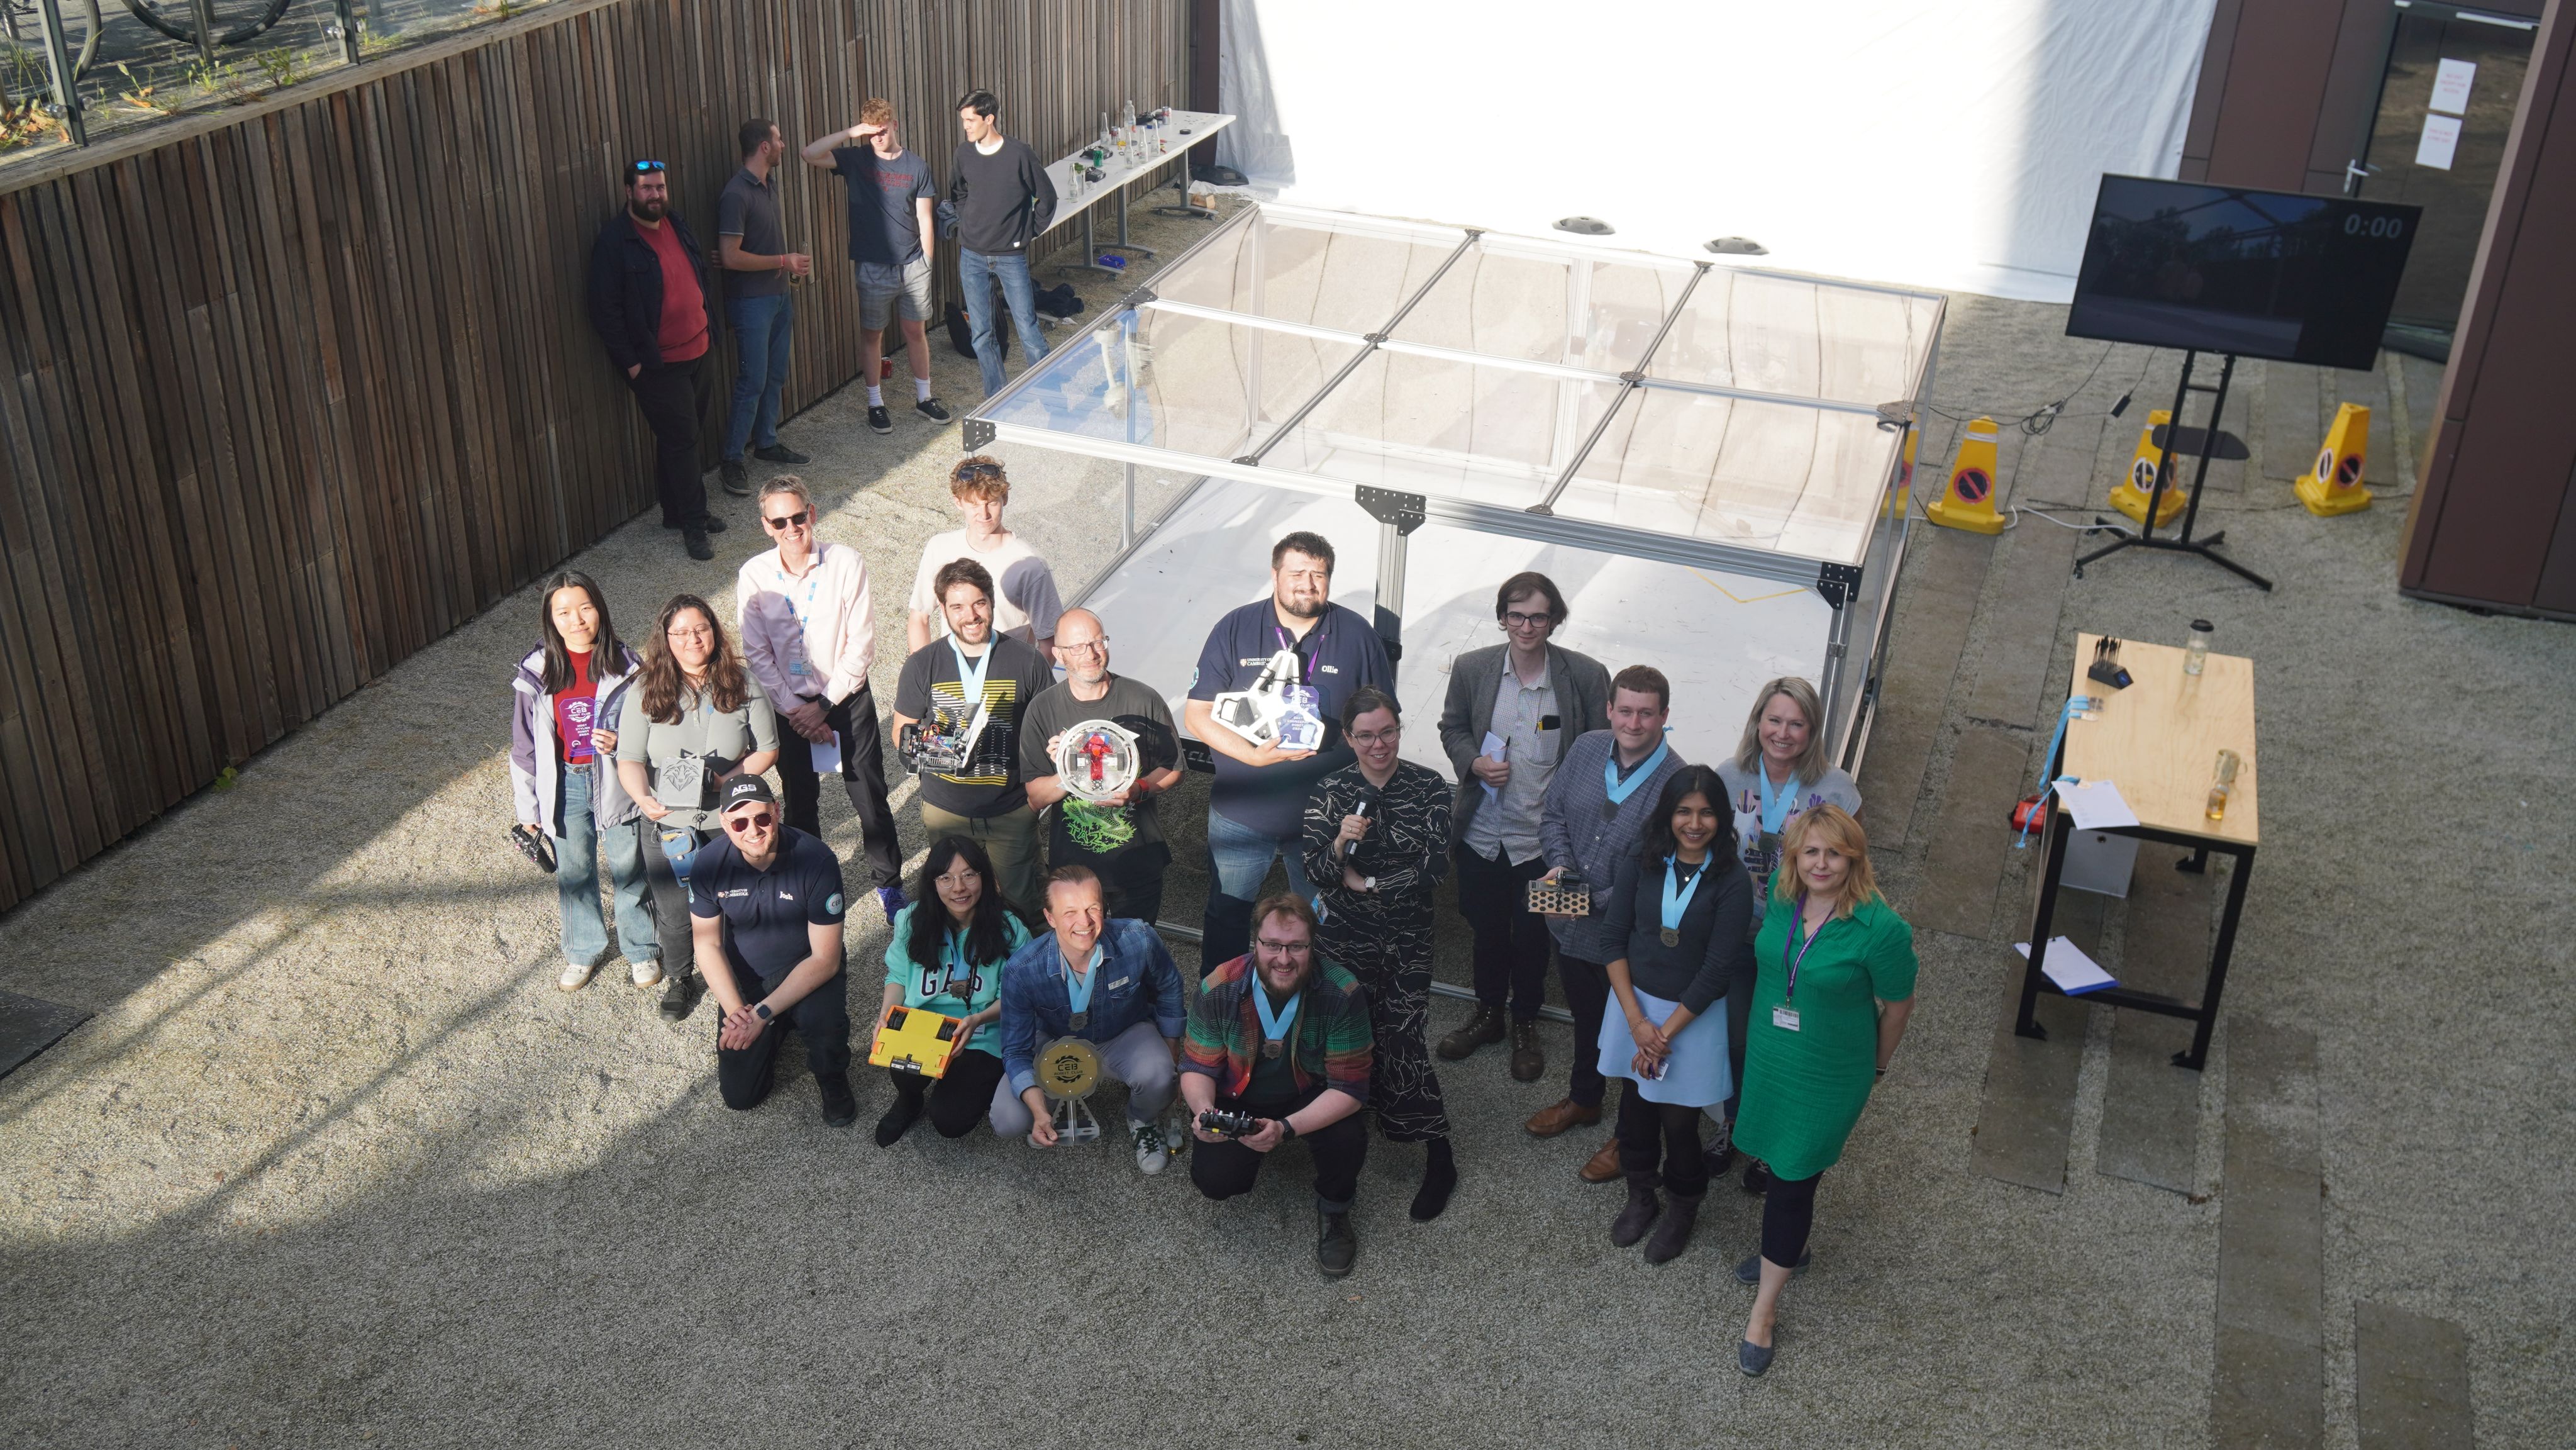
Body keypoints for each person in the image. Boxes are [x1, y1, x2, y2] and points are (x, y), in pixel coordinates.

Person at [1731, 803, 1915, 1376]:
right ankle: (1789, 1251)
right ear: (1795, 856)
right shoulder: (1785, 899)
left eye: (1834, 852)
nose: (1821, 862)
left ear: (1854, 857)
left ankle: (1763, 1311)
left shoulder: (1881, 928)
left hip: (1830, 1074)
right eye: (1810, 850)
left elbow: (1899, 1004)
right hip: (1771, 1055)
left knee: (1792, 1180)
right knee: (1776, 1162)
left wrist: (1878, 1069)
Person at [1184, 532, 1394, 973]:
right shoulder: (1235, 627)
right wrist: (1253, 755)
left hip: (1324, 823)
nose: (1308, 583)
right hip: (1243, 813)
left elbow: (1382, 724)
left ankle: (1314, 1018)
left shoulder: (1357, 635)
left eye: (1319, 574)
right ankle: (1218, 1011)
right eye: (1297, 572)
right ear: (1275, 574)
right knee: (1227, 916)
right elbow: (1197, 715)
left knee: (1323, 925)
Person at [1436, 571, 1613, 1082]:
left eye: (1538, 615)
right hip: (1483, 835)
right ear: (1502, 617)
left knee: (1542, 935)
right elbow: (1452, 726)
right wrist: (1472, 762)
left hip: (1553, 844)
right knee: (1486, 927)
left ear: (1554, 619)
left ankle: (1526, 1022)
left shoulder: (1585, 674)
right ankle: (1489, 1013)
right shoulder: (1473, 667)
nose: (1527, 625)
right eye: (1516, 614)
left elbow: (1603, 750)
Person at [1299, 688, 1458, 1221]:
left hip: (1406, 941)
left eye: (1387, 731)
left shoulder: (1429, 785)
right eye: (1365, 735)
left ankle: (1438, 1154)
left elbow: (1435, 868)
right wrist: (1341, 845)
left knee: (1404, 1039)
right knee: (1344, 1035)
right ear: (1348, 738)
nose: (1379, 744)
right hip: (1343, 940)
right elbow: (1317, 868)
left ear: (1398, 728)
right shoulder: (1331, 789)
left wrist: (1365, 882)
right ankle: (1341, 1131)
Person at [1528, 665, 1689, 1186]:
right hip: (1569, 926)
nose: (1634, 722)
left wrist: (1585, 898)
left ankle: (1628, 1132)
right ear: (1609, 710)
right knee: (1585, 1017)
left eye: (1647, 713)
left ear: (1665, 716)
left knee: (1629, 1031)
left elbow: (1664, 866)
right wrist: (1560, 872)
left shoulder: (1678, 782)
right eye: (1625, 710)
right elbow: (1552, 816)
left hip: (1628, 939)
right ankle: (1584, 1099)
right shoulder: (1587, 749)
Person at [1596, 765, 1752, 1264]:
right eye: (1684, 810)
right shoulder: (1641, 862)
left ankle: (1683, 1206)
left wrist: (1661, 1033)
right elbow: (1612, 938)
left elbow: (1716, 970)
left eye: (1707, 812)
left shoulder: (1732, 880)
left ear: (1721, 818)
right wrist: (1638, 1023)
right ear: (1668, 813)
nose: (1694, 822)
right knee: (1635, 1108)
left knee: (1680, 1122)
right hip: (1633, 1008)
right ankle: (1641, 1194)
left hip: (1693, 1016)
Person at [735, 475, 905, 923]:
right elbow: (756, 652)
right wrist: (797, 710)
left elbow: (861, 645)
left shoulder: (846, 562)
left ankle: (889, 885)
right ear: (766, 526)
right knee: (799, 800)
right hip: (790, 711)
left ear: (812, 513)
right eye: (780, 521)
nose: (792, 528)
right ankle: (808, 883)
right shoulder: (753, 575)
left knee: (869, 794)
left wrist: (823, 705)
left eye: (799, 516)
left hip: (844, 702)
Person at [1181, 893, 1375, 1278]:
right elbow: (1196, 1064)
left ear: (1312, 945)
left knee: (1348, 1136)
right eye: (1272, 945)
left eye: (1297, 946)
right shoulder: (1218, 986)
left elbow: (1350, 1087)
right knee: (1216, 1183)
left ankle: (1335, 1209)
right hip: (1238, 1098)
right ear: (1254, 942)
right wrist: (1204, 1112)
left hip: (1311, 1095)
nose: (1284, 959)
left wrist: (1286, 1129)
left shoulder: (1343, 992)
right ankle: (1248, 1147)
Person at [1713, 677, 1862, 1165]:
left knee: (1783, 1042)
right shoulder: (1728, 777)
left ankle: (1769, 1142)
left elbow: (1850, 866)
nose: (1783, 733)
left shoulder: (1837, 789)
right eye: (1774, 720)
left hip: (1797, 940)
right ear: (1758, 721)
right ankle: (1733, 1125)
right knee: (1736, 1035)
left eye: (1797, 723)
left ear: (1813, 730)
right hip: (1737, 930)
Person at [615, 594, 780, 1021]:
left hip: (729, 820)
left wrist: (730, 782)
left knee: (738, 901)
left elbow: (768, 748)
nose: (693, 639)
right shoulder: (645, 688)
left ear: (714, 630)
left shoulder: (742, 681)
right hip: (668, 823)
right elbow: (630, 757)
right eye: (681, 632)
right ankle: (681, 977)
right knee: (674, 911)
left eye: (701, 628)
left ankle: (744, 972)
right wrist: (642, 798)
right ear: (666, 639)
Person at [508, 571, 657, 992]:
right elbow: (523, 746)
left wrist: (622, 741)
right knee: (574, 871)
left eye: (586, 608)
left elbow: (650, 727)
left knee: (630, 866)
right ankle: (582, 949)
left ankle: (642, 948)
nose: (577, 619)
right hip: (566, 784)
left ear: (601, 610)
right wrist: (529, 812)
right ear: (550, 619)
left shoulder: (628, 666)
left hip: (617, 779)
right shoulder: (536, 670)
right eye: (564, 612)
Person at [992, 866, 1187, 1173]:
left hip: (1122, 1034)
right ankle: (1049, 1109)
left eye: (1092, 908)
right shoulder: (1022, 969)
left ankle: (1141, 1118)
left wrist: (1171, 1045)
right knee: (1008, 1119)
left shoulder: (1139, 939)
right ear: (1050, 917)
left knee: (1162, 1077)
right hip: (1054, 1044)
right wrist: (1037, 1109)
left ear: (1103, 908)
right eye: (1069, 912)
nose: (1084, 923)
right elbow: (1015, 1050)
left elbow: (1170, 985)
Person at [891, 559, 1055, 917]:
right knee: (959, 906)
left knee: (1024, 904)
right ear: (943, 610)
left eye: (979, 603)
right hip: (945, 810)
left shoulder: (1027, 661)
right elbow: (901, 733)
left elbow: (1048, 732)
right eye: (958, 606)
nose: (971, 615)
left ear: (992, 602)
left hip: (1011, 808)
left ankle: (1025, 971)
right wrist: (945, 748)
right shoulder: (923, 664)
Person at [691, 776, 857, 1127]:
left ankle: (832, 1077)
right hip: (749, 977)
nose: (753, 830)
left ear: (777, 812)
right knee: (741, 1097)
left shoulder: (816, 860)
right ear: (724, 824)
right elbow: (706, 943)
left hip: (807, 968)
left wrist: (761, 1014)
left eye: (762, 818)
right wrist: (738, 1011)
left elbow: (825, 960)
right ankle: (778, 1026)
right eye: (739, 822)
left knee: (822, 1024)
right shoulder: (707, 864)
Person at [586, 159, 723, 561]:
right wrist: (631, 363)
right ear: (629, 192)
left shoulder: (675, 223)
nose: (655, 195)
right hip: (658, 364)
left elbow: (695, 274)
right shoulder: (615, 242)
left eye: (660, 187)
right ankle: (694, 525)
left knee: (683, 434)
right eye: (646, 188)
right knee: (683, 441)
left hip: (699, 349)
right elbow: (603, 310)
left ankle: (674, 513)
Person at [1019, 608, 1184, 925]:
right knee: (1079, 959)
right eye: (1078, 647)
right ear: (1057, 654)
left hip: (1137, 865)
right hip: (1073, 872)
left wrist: (1138, 790)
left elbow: (1174, 768)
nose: (1091, 654)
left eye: (1098, 642)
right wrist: (1069, 770)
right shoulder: (1042, 709)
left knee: (1135, 956)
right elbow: (1035, 798)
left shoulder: (1143, 699)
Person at [802, 97, 950, 435]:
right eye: (872, 133)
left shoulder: (916, 166)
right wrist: (853, 132)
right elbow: (809, 154)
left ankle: (924, 398)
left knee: (915, 332)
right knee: (873, 335)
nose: (878, 138)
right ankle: (875, 403)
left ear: (895, 125)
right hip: (872, 266)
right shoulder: (856, 160)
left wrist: (926, 261)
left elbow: (925, 217)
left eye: (882, 131)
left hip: (912, 264)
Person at [873, 835, 1030, 1146]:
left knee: (950, 1122)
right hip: (925, 1024)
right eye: (946, 877)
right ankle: (909, 1100)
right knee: (898, 1057)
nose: (958, 887)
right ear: (933, 883)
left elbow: (1021, 997)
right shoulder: (912, 920)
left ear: (985, 877)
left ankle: (973, 1086)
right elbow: (899, 976)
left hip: (983, 1031)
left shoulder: (1010, 928)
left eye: (969, 875)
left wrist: (980, 1019)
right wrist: (887, 1015)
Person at [715, 118, 813, 498]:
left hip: (777, 298)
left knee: (775, 375)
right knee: (752, 381)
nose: (784, 144)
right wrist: (782, 261)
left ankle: (767, 442)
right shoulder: (736, 194)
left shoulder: (767, 187)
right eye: (779, 138)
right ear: (763, 147)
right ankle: (731, 459)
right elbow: (730, 256)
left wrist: (783, 269)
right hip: (751, 302)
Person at [949, 87, 1057, 398]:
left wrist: (1027, 232)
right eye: (964, 121)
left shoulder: (1020, 154)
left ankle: (1050, 396)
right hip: (972, 255)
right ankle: (998, 398)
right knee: (982, 335)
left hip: (1011, 257)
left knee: (1028, 330)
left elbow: (1046, 199)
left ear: (989, 118)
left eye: (970, 120)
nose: (966, 127)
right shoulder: (964, 154)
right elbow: (958, 193)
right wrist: (966, 221)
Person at [905, 456, 1063, 653]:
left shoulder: (1031, 566)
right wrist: (923, 677)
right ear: (958, 502)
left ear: (1005, 499)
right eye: (974, 505)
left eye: (991, 503)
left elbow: (1049, 639)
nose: (984, 514)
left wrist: (1030, 683)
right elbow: (920, 616)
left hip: (1008, 675)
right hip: (952, 674)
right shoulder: (939, 547)